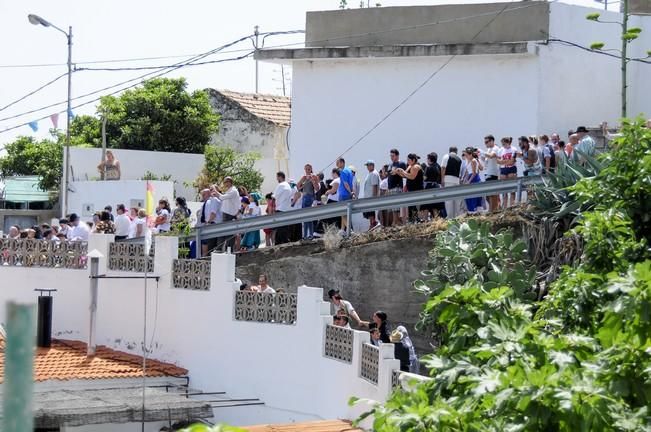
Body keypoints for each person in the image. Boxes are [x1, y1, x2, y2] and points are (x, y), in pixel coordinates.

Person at [395, 153, 424, 222]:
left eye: (409, 160)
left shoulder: (416, 166)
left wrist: (402, 171)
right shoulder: (410, 166)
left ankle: (418, 220)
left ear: (413, 160)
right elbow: (405, 175)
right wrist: (398, 171)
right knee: (411, 208)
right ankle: (412, 221)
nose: (407, 161)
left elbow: (412, 176)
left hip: (417, 190)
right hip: (411, 190)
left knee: (416, 207)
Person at [215, 177, 240, 251]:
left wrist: (215, 190)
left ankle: (227, 250)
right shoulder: (230, 190)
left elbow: (222, 197)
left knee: (226, 233)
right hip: (227, 214)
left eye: (225, 182)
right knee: (225, 233)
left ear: (229, 182)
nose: (224, 183)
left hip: (229, 215)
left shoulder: (233, 191)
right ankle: (223, 249)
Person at [297, 163, 320, 239]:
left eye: (309, 169)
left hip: (310, 198)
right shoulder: (304, 177)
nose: (307, 171)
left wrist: (313, 180)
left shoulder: (314, 176)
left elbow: (317, 189)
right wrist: (303, 181)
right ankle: (308, 234)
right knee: (306, 217)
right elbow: (298, 186)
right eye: (306, 169)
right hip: (304, 197)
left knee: (308, 217)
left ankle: (307, 235)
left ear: (311, 169)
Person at [440, 146, 462, 218]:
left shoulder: (446, 156)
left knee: (449, 200)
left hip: (448, 180)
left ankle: (450, 217)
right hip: (456, 180)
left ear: (449, 151)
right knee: (456, 200)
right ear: (456, 151)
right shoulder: (459, 159)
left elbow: (443, 168)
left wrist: (442, 179)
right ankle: (458, 216)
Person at [387, 149, 407, 226]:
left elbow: (404, 175)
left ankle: (398, 221)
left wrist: (397, 172)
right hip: (390, 187)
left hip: (397, 186)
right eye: (391, 156)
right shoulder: (390, 164)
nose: (391, 157)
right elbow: (389, 174)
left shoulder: (401, 163)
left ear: (397, 155)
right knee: (393, 206)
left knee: (398, 206)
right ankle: (395, 221)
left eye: (393, 156)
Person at [272, 172, 293, 245]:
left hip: (280, 208)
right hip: (287, 209)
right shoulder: (288, 185)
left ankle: (285, 243)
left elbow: (274, 197)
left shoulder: (281, 185)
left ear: (280, 177)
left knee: (281, 228)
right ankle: (278, 243)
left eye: (277, 177)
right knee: (283, 228)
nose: (276, 179)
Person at [497, 137, 517, 208]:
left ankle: (512, 205)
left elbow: (512, 161)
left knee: (512, 188)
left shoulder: (513, 149)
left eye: (504, 144)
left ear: (508, 143)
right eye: (502, 144)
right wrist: (506, 161)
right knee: (504, 188)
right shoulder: (500, 150)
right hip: (503, 169)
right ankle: (505, 206)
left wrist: (504, 161)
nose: (503, 145)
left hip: (511, 169)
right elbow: (498, 161)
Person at [482, 135, 500, 212]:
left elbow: (491, 156)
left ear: (492, 141)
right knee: (488, 195)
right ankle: (493, 209)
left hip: (493, 173)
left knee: (493, 194)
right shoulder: (489, 149)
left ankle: (494, 210)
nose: (485, 144)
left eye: (487, 142)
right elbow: (486, 161)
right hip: (487, 173)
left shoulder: (495, 148)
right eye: (485, 142)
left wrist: (482, 152)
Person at [336, 158, 355, 232]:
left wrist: (350, 192)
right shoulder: (349, 171)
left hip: (343, 194)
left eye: (338, 163)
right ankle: (342, 230)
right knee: (345, 213)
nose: (337, 165)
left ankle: (349, 230)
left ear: (342, 163)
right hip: (348, 194)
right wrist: (352, 192)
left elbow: (346, 184)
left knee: (343, 213)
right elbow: (351, 183)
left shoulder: (343, 172)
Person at [462, 147, 482, 213]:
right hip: (470, 178)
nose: (466, 156)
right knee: (469, 197)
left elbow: (474, 173)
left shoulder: (473, 160)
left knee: (474, 196)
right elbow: (468, 172)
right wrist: (464, 180)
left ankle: (475, 210)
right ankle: (471, 210)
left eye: (467, 155)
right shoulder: (468, 161)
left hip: (474, 179)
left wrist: (469, 181)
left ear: (470, 154)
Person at [362, 160, 380, 230]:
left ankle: (373, 224)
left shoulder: (374, 174)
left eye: (369, 165)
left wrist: (373, 197)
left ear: (372, 165)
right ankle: (371, 225)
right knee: (369, 213)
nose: (367, 167)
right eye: (367, 165)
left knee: (371, 212)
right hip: (368, 197)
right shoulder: (370, 173)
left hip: (371, 197)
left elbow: (374, 186)